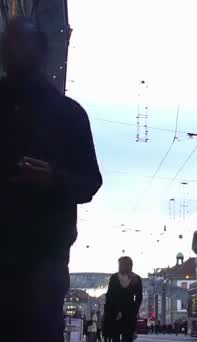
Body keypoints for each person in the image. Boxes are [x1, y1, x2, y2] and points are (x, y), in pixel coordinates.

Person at [0, 16, 102, 342]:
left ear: (40, 54)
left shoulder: (68, 114)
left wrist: (53, 180)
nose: (12, 54)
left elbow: (90, 181)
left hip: (41, 256)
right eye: (8, 46)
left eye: (20, 46)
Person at [104, 257, 143, 342]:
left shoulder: (136, 279)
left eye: (121, 264)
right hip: (115, 312)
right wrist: (110, 311)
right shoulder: (114, 278)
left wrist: (134, 310)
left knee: (128, 337)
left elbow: (139, 297)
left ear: (128, 266)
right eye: (119, 264)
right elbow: (110, 295)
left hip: (129, 312)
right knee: (115, 336)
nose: (119, 267)